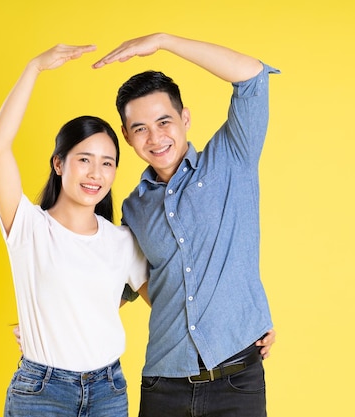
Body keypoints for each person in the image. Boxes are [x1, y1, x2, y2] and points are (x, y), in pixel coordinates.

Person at [91, 33, 279, 416]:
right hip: (164, 385)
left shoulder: (232, 157)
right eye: (140, 128)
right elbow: (122, 285)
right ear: (126, 136)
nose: (155, 137)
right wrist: (45, 320)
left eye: (164, 121)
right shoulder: (134, 208)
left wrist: (162, 41)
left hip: (237, 380)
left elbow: (252, 75)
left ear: (185, 118)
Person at [0, 43, 149, 417]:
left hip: (109, 391)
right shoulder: (28, 226)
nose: (96, 173)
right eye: (84, 160)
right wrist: (34, 67)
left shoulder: (122, 241)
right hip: (42, 392)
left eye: (107, 163)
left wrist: (247, 328)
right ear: (59, 164)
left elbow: (171, 301)